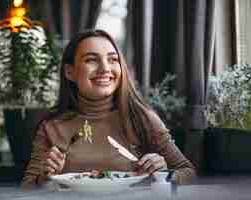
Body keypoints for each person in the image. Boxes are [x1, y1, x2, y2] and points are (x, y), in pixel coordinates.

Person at [22, 29, 196, 188]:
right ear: (70, 72)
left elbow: (188, 172)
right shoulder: (51, 127)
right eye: (91, 60)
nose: (105, 68)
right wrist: (44, 178)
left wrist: (165, 174)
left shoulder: (142, 118)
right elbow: (27, 187)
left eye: (113, 59)